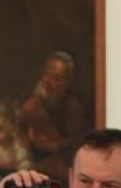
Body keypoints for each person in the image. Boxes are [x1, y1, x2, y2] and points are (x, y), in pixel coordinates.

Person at [17, 50, 89, 180]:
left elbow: (77, 141)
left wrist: (53, 145)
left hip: (60, 163)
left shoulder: (73, 105)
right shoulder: (34, 99)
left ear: (68, 82)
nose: (48, 82)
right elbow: (19, 128)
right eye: (46, 76)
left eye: (56, 79)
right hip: (31, 157)